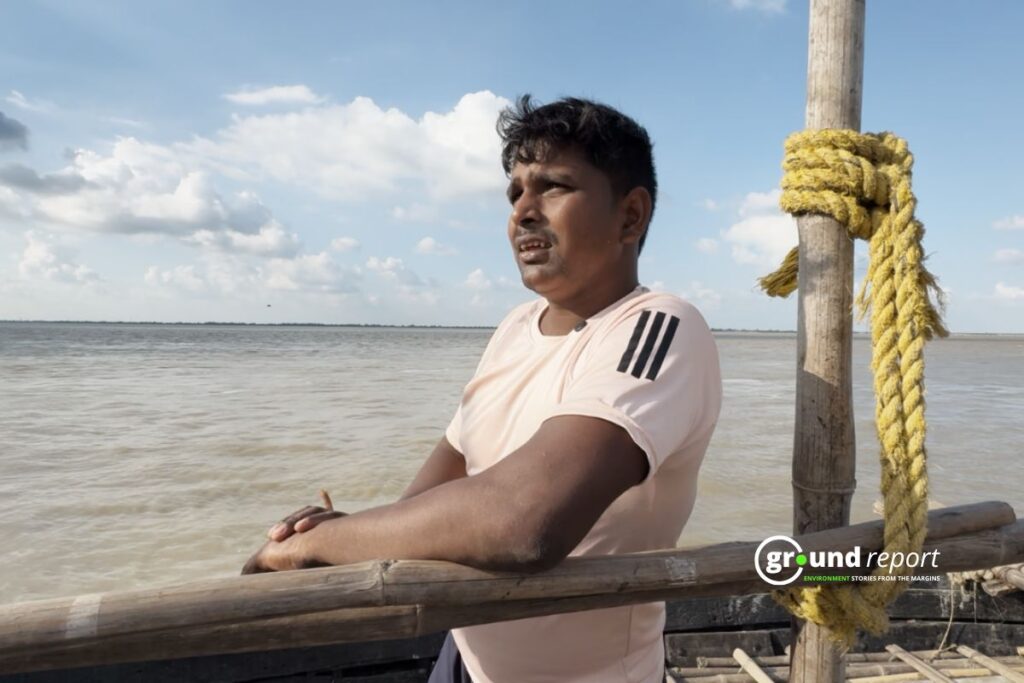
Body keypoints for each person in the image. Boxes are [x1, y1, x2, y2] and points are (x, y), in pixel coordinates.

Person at [242, 95, 722, 683]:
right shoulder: (515, 328)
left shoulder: (660, 327)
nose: (523, 212)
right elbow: (429, 499)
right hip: (466, 659)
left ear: (630, 216)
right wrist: (334, 532)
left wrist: (313, 546)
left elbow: (525, 521)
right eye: (515, 192)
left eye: (553, 186)